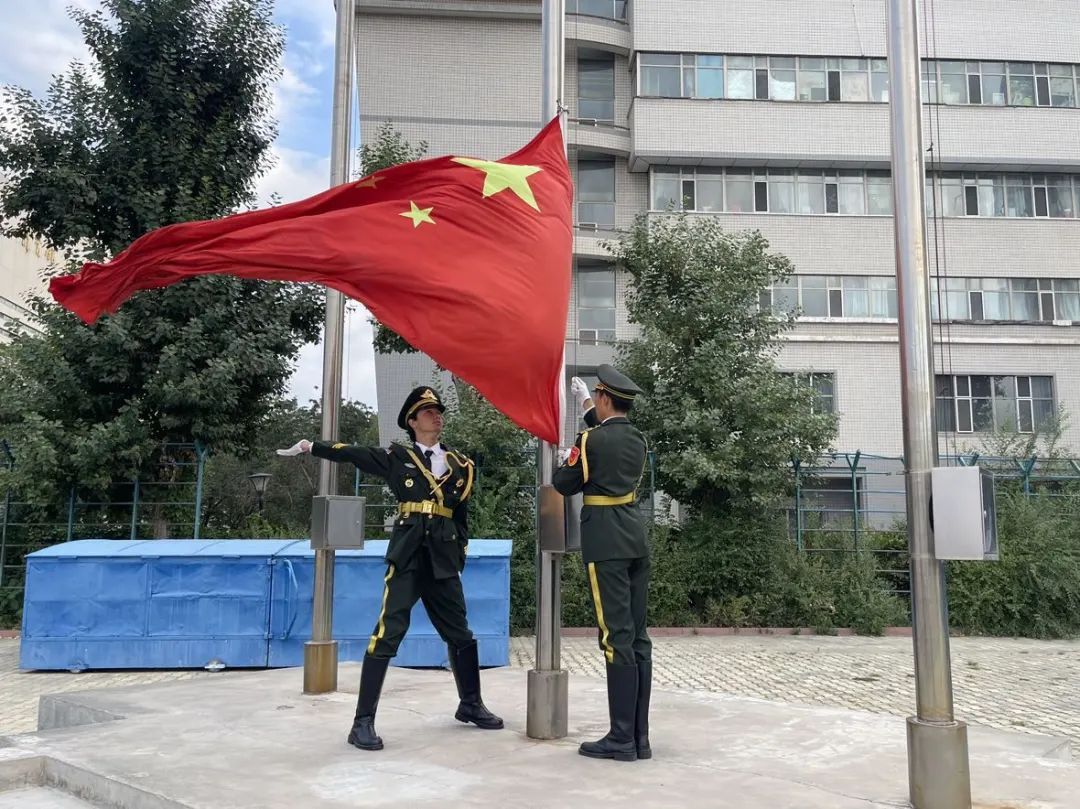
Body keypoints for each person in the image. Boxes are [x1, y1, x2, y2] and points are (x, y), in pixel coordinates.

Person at [280, 386, 503, 751]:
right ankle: (362, 723)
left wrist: (459, 554)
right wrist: (311, 446)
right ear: (412, 421)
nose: (437, 416)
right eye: (428, 412)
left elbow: (461, 518)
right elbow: (352, 453)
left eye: (438, 411)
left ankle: (471, 703)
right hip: (409, 555)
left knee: (460, 632)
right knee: (388, 631)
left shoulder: (462, 465)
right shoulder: (397, 457)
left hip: (443, 558)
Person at [553, 364, 652, 762]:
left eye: (597, 396)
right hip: (634, 538)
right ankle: (639, 738)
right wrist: (586, 409)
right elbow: (608, 432)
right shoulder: (638, 439)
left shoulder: (589, 441)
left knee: (615, 638)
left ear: (606, 398)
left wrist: (566, 459)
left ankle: (621, 738)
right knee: (638, 638)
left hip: (605, 541)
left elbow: (564, 484)